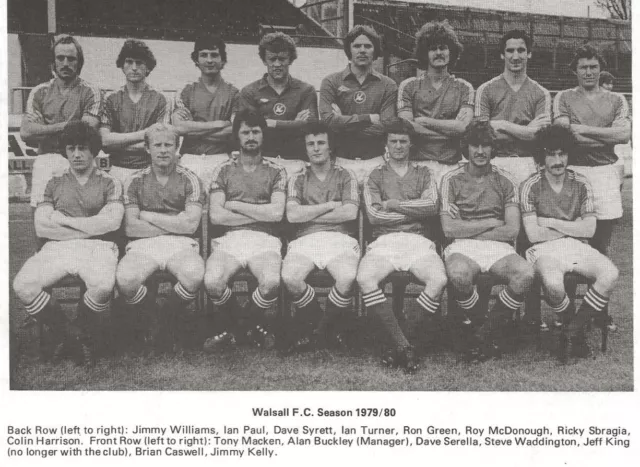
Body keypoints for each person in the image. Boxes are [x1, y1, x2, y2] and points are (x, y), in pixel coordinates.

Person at [13, 122, 124, 364]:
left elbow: (112, 223)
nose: (76, 154)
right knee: (23, 285)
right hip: (57, 248)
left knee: (103, 285)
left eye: (82, 148)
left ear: (94, 151)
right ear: (64, 151)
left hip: (99, 247)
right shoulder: (53, 182)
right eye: (71, 148)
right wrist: (91, 226)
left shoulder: (109, 182)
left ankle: (80, 331)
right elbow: (42, 226)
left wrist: (62, 220)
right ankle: (70, 334)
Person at [520, 125, 618, 361]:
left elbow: (590, 229)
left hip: (577, 246)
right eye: (551, 154)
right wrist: (571, 228)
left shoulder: (581, 183)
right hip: (544, 249)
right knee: (553, 284)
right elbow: (533, 235)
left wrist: (550, 221)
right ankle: (573, 331)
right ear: (541, 157)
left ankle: (572, 332)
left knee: (611, 274)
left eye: (562, 153)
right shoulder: (530, 185)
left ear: (569, 154)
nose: (557, 160)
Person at [440, 120, 534, 361]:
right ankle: (486, 327)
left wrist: (468, 228)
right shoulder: (450, 179)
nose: (480, 152)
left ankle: (480, 333)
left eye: (486, 146)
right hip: (462, 247)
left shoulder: (506, 180)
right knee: (459, 275)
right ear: (466, 148)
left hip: (498, 247)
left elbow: (511, 231)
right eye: (474, 145)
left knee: (525, 274)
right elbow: (449, 229)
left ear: (493, 149)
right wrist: (490, 223)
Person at [357, 123, 444, 374]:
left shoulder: (424, 173)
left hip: (418, 241)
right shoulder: (375, 175)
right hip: (384, 242)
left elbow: (431, 206)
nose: (398, 146)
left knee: (438, 280)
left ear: (411, 144)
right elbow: (373, 216)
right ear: (386, 144)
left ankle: (398, 341)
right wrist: (413, 213)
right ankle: (406, 346)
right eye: (393, 141)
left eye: (403, 141)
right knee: (365, 278)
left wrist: (394, 204)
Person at [116, 124, 205, 351]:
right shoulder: (134, 180)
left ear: (177, 148)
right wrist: (176, 223)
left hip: (181, 244)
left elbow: (191, 224)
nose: (163, 150)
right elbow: (131, 228)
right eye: (157, 145)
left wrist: (147, 215)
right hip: (142, 245)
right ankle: (154, 316)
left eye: (169, 145)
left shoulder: (190, 178)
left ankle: (165, 318)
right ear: (147, 148)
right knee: (126, 280)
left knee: (194, 274)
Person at [203, 110, 286, 350]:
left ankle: (235, 329)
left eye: (256, 132)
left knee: (270, 282)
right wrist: (257, 212)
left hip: (265, 239)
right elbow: (217, 216)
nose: (251, 136)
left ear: (263, 136)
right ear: (237, 137)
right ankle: (250, 328)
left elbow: (276, 214)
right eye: (245, 132)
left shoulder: (276, 171)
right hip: (230, 240)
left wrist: (235, 205)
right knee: (212, 282)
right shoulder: (223, 170)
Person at [282, 123, 360, 351]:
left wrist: (311, 214)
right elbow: (293, 215)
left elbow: (350, 213)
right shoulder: (298, 178)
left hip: (341, 239)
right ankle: (323, 324)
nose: (316, 149)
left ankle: (319, 329)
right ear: (305, 149)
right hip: (305, 240)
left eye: (321, 143)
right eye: (310, 144)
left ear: (330, 147)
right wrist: (328, 206)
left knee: (346, 278)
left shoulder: (346, 175)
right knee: (290, 278)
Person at [553, 45, 630, 256]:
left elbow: (623, 135)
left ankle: (596, 288)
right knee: (571, 240)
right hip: (574, 172)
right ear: (575, 70)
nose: (589, 72)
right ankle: (569, 290)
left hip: (606, 173)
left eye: (593, 67)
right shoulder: (564, 97)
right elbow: (566, 137)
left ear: (600, 68)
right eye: (583, 67)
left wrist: (582, 129)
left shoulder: (617, 100)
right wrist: (607, 136)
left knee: (601, 241)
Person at [21, 35, 101, 208]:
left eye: (71, 59)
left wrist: (43, 127)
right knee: (41, 213)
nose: (65, 63)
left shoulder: (90, 92)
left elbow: (86, 130)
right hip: (46, 158)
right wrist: (69, 125)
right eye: (60, 58)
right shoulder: (39, 92)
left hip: (79, 158)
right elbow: (26, 133)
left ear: (79, 63)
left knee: (80, 213)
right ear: (53, 62)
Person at [397, 20, 474, 187]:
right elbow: (407, 128)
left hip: (452, 165)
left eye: (443, 48)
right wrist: (450, 131)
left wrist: (425, 122)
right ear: (424, 53)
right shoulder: (408, 86)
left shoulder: (464, 87)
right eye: (433, 48)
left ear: (451, 52)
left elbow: (463, 128)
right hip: (418, 164)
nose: (438, 52)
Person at [319, 25, 397, 182]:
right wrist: (367, 118)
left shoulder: (388, 85)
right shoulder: (331, 81)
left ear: (375, 50)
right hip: (340, 161)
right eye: (357, 46)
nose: (362, 50)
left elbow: (386, 126)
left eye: (368, 46)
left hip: (376, 161)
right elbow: (327, 122)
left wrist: (342, 122)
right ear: (349, 49)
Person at [475, 30, 551, 185]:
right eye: (510, 51)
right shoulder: (486, 89)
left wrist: (500, 125)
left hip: (528, 164)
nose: (515, 57)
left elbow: (539, 137)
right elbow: (481, 134)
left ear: (529, 54)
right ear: (502, 55)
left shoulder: (541, 93)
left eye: (521, 50)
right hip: (494, 163)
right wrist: (526, 130)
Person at [239, 32, 317, 175]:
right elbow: (251, 128)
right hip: (262, 161)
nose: (277, 64)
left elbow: (309, 127)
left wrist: (270, 123)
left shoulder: (306, 90)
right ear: (264, 60)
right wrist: (295, 123)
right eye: (272, 59)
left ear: (291, 59)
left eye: (282, 59)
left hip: (297, 161)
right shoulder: (250, 92)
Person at [100, 39, 171, 186]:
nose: (134, 68)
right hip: (116, 169)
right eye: (129, 62)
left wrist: (118, 143)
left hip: (149, 170)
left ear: (148, 67)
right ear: (122, 65)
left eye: (139, 63)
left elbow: (159, 142)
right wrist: (144, 134)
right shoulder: (110, 98)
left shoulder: (161, 99)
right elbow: (105, 141)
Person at [172, 34, 239, 185]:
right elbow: (179, 127)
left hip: (221, 158)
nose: (209, 60)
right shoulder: (186, 91)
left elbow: (234, 130)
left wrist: (193, 129)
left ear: (223, 60)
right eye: (204, 55)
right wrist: (220, 124)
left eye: (214, 55)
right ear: (196, 60)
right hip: (190, 158)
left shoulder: (234, 93)